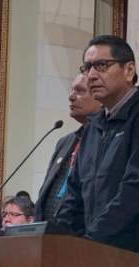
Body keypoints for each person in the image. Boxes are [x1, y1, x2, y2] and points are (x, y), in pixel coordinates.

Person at [56, 35, 139, 265]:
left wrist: (91, 242)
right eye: (88, 68)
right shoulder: (93, 127)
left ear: (129, 70)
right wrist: (60, 242)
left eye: (101, 65)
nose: (92, 75)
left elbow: (136, 190)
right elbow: (74, 194)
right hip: (103, 257)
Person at [34, 74, 103, 222]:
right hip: (48, 233)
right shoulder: (65, 142)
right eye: (72, 90)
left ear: (100, 99)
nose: (71, 97)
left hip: (80, 235)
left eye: (80, 91)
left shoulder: (105, 139)